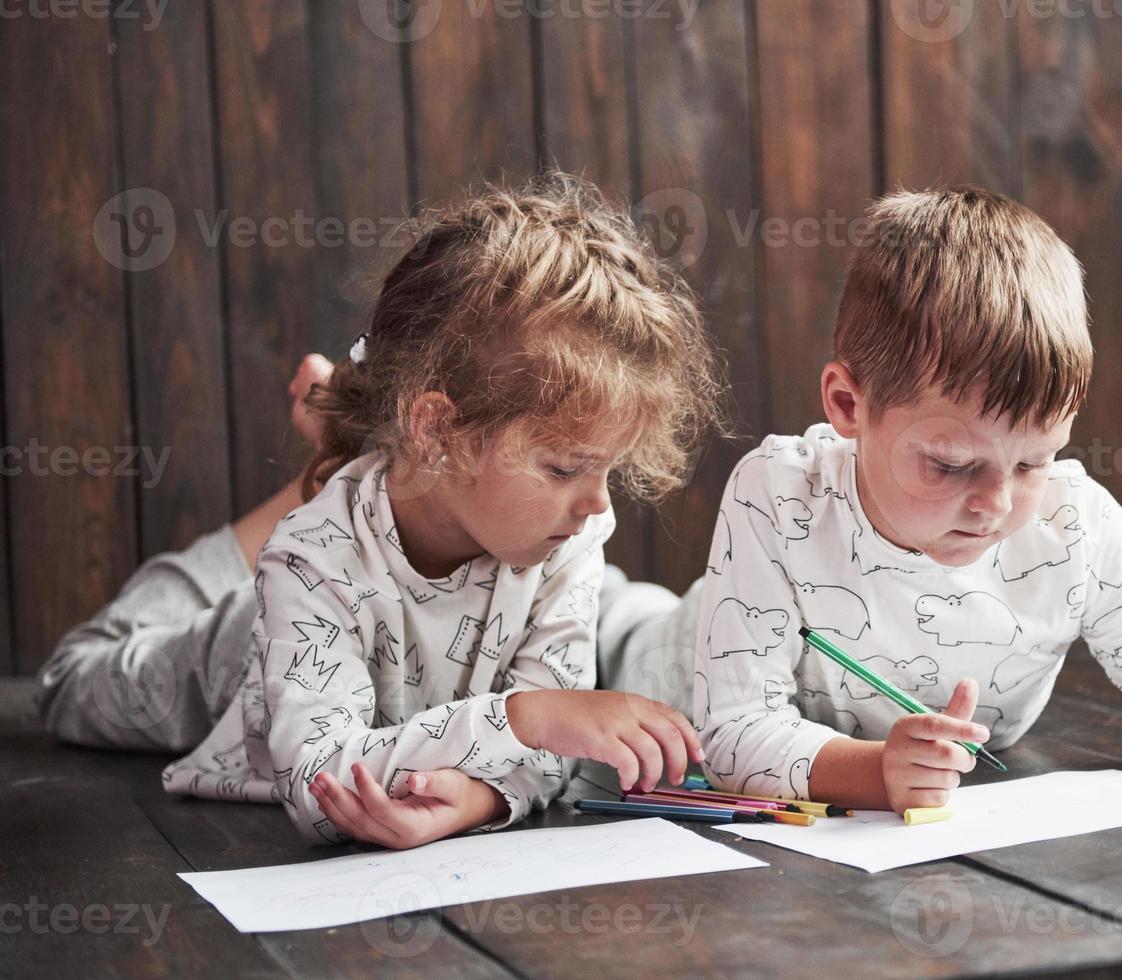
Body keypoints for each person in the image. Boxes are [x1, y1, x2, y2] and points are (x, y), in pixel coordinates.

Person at [36, 172, 726, 847]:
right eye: (565, 467)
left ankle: (349, 454)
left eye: (607, 467)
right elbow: (320, 782)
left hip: (403, 598)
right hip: (243, 654)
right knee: (74, 680)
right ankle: (328, 471)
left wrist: (481, 798)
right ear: (437, 429)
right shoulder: (311, 561)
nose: (598, 502)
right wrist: (525, 719)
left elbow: (552, 748)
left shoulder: (571, 534)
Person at [689, 186, 1122, 817]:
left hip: (925, 780)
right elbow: (730, 727)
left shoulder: (1071, 520)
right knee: (621, 630)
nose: (997, 504)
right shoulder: (781, 496)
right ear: (849, 405)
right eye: (950, 464)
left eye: (1034, 459)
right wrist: (874, 772)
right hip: (668, 673)